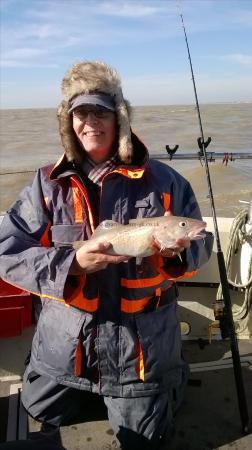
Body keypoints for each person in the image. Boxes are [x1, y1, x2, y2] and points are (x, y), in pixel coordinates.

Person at [0, 61, 213, 449]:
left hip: (141, 355)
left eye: (101, 111)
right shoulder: (45, 185)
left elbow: (202, 240)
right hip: (63, 350)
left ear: (120, 118)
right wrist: (71, 264)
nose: (91, 122)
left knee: (148, 440)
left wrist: (177, 254)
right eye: (81, 113)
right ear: (69, 123)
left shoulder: (166, 182)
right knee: (37, 414)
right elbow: (6, 250)